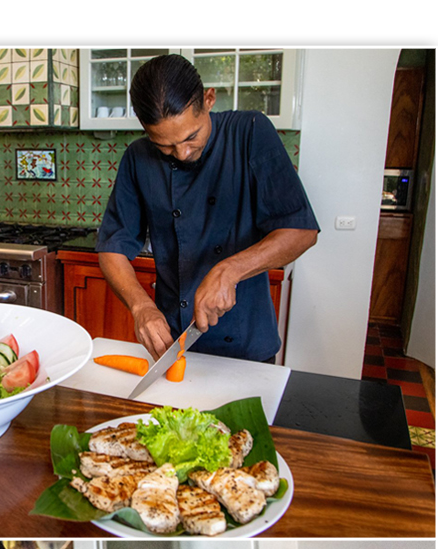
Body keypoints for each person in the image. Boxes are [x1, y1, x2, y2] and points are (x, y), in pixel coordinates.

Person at [97, 53, 320, 364]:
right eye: (165, 145)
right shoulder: (138, 158)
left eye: (191, 137)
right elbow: (112, 247)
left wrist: (229, 270)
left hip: (246, 343)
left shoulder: (250, 131)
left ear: (209, 99)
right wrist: (141, 307)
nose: (182, 153)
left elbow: (301, 231)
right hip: (174, 343)